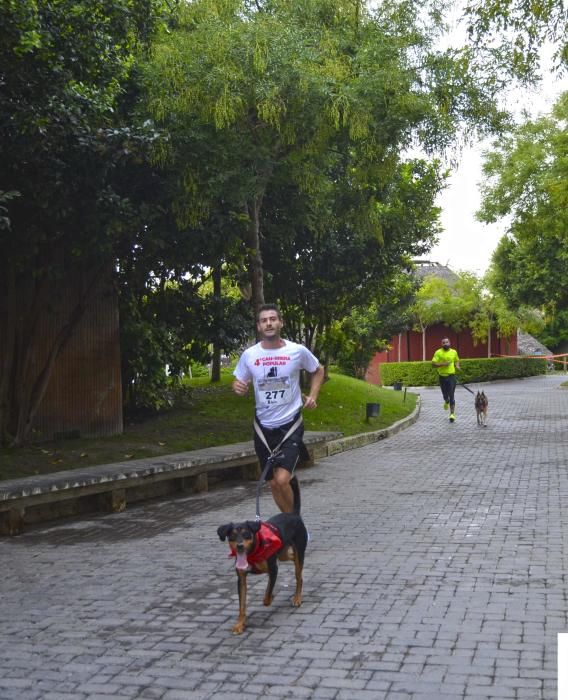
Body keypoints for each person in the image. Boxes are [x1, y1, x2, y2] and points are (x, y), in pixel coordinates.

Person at [233, 303, 325, 513]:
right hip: (263, 429)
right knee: (272, 483)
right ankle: (291, 523)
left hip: (290, 424)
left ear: (280, 323)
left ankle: (294, 526)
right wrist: (238, 386)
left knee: (282, 479)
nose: (269, 323)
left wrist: (312, 395)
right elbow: (239, 380)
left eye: (273, 319)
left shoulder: (297, 351)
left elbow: (318, 370)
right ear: (258, 326)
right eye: (264, 320)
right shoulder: (250, 355)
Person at [432, 337, 461, 422]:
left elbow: (457, 360)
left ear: (450, 343)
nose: (445, 344)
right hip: (442, 377)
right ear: (442, 344)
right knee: (445, 395)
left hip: (451, 376)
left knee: (452, 395)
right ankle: (446, 401)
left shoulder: (454, 352)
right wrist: (443, 364)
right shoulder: (438, 352)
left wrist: (457, 365)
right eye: (444, 343)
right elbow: (433, 364)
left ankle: (452, 414)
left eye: (447, 342)